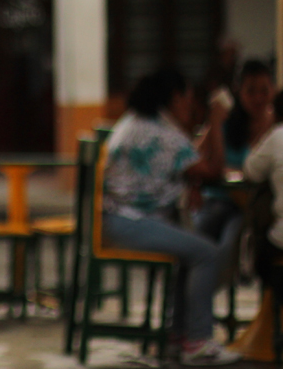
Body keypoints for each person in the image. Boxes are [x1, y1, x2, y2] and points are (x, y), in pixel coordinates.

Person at [102, 68, 239, 366]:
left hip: (116, 219)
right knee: (206, 252)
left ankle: (180, 336)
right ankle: (198, 341)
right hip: (129, 223)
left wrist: (190, 180)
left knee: (189, 249)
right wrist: (215, 122)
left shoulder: (138, 122)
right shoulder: (162, 133)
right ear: (175, 98)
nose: (191, 105)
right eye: (188, 98)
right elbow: (213, 170)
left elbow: (188, 158)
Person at [195, 60, 275, 244]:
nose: (258, 98)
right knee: (198, 239)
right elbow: (194, 157)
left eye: (264, 91)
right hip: (218, 199)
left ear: (273, 90)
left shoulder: (276, 126)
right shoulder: (226, 120)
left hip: (253, 207)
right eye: (251, 91)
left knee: (228, 246)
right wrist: (214, 124)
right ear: (238, 91)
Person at [243, 90, 283, 292]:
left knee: (260, 258)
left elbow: (251, 170)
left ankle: (271, 313)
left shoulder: (277, 137)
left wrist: (266, 130)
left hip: (280, 239)